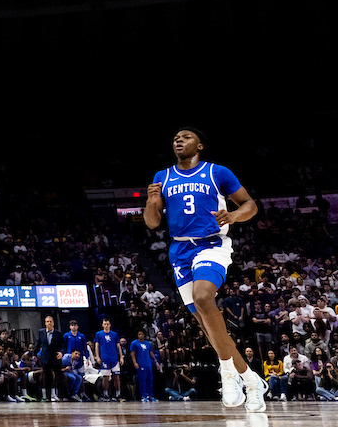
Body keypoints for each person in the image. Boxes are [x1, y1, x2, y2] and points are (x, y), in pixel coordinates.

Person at [144, 127, 267, 411]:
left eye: (186, 137)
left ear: (199, 146)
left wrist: (234, 215)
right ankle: (250, 380)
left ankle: (227, 372)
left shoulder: (217, 172)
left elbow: (250, 204)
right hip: (179, 250)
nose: (179, 140)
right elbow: (152, 222)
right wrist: (151, 202)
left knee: (203, 298)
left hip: (211, 244)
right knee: (207, 326)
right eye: (175, 137)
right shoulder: (162, 177)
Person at [93, 318, 123, 402]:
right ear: (102, 325)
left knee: (116, 377)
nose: (106, 325)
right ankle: (105, 394)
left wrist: (121, 357)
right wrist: (97, 357)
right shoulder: (99, 334)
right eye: (105, 324)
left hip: (114, 358)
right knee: (105, 377)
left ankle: (118, 394)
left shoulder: (114, 334)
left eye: (107, 324)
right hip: (104, 359)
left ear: (110, 325)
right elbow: (97, 346)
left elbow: (118, 346)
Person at [35, 315, 61, 401]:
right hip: (45, 358)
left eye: (50, 321)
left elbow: (63, 345)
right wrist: (34, 354)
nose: (49, 323)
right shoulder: (41, 332)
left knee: (57, 376)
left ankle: (57, 395)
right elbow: (38, 343)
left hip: (55, 357)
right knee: (46, 377)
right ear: (45, 323)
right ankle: (47, 396)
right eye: (47, 321)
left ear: (53, 323)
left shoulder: (58, 333)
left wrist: (61, 352)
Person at [131, 329, 158, 401]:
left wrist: (156, 361)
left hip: (148, 364)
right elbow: (133, 354)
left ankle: (150, 396)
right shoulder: (134, 343)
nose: (141, 336)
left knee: (150, 380)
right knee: (142, 381)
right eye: (139, 334)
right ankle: (143, 396)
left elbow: (151, 353)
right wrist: (135, 363)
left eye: (142, 334)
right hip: (140, 364)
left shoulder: (148, 344)